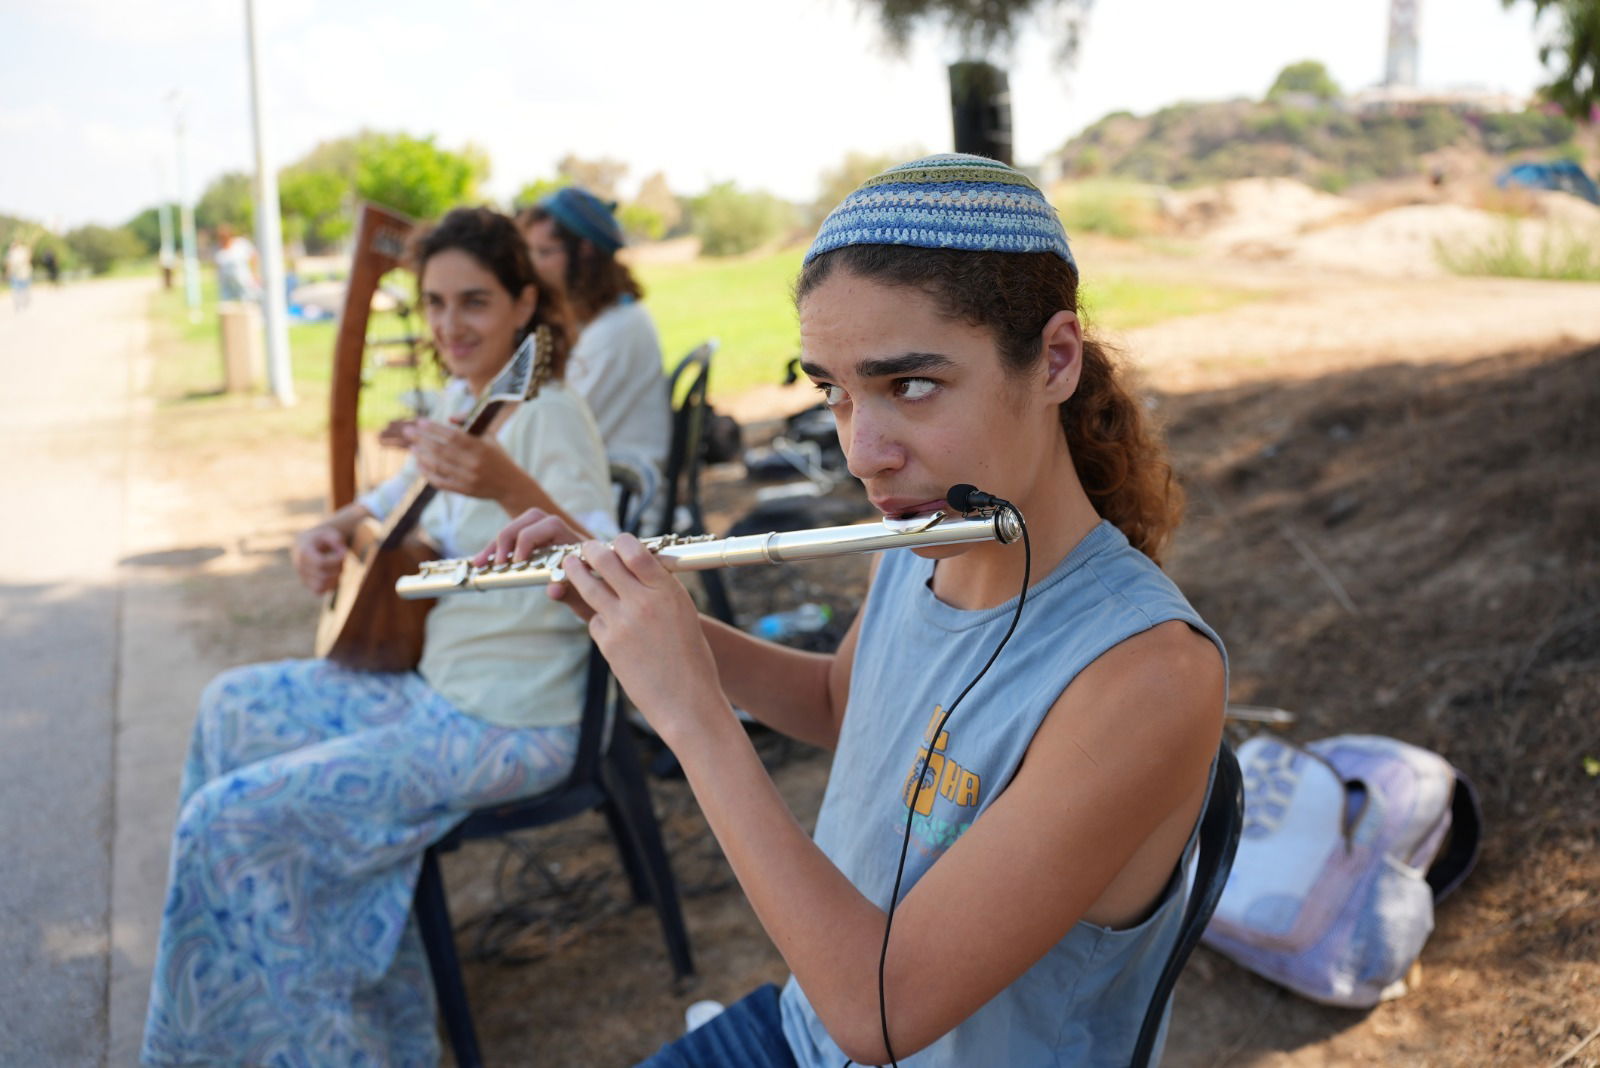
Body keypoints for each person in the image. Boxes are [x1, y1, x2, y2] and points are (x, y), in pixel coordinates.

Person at [480, 155, 1228, 1067]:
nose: (861, 455)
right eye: (833, 392)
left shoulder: (1150, 673)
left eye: (909, 385)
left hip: (855, 1021)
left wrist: (692, 716)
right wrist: (625, 610)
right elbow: (843, 706)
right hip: (799, 1033)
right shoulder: (927, 546)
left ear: (1055, 361)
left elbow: (882, 1014)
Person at [139, 207, 615, 1066]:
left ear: (522, 303)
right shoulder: (470, 402)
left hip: (510, 723)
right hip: (433, 692)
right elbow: (391, 494)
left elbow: (611, 565)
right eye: (433, 304)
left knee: (227, 821)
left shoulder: (548, 414)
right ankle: (302, 1020)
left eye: (473, 302)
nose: (447, 326)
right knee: (228, 706)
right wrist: (327, 529)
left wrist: (511, 487)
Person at [518, 186, 672, 483]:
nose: (533, 268)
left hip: (620, 497)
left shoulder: (614, 332)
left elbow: (557, 432)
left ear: (585, 252)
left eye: (545, 252)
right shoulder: (605, 319)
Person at [213, 222, 260, 302]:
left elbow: (253, 256)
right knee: (227, 306)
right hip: (228, 284)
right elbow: (218, 267)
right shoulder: (218, 250)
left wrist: (255, 274)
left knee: (249, 303)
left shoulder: (241, 244)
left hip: (244, 281)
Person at [6, 239, 32, 310]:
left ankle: (23, 302)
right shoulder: (11, 253)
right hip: (16, 274)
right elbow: (9, 264)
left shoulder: (23, 251)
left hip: (24, 273)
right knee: (16, 289)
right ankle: (18, 304)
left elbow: (28, 259)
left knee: (23, 289)